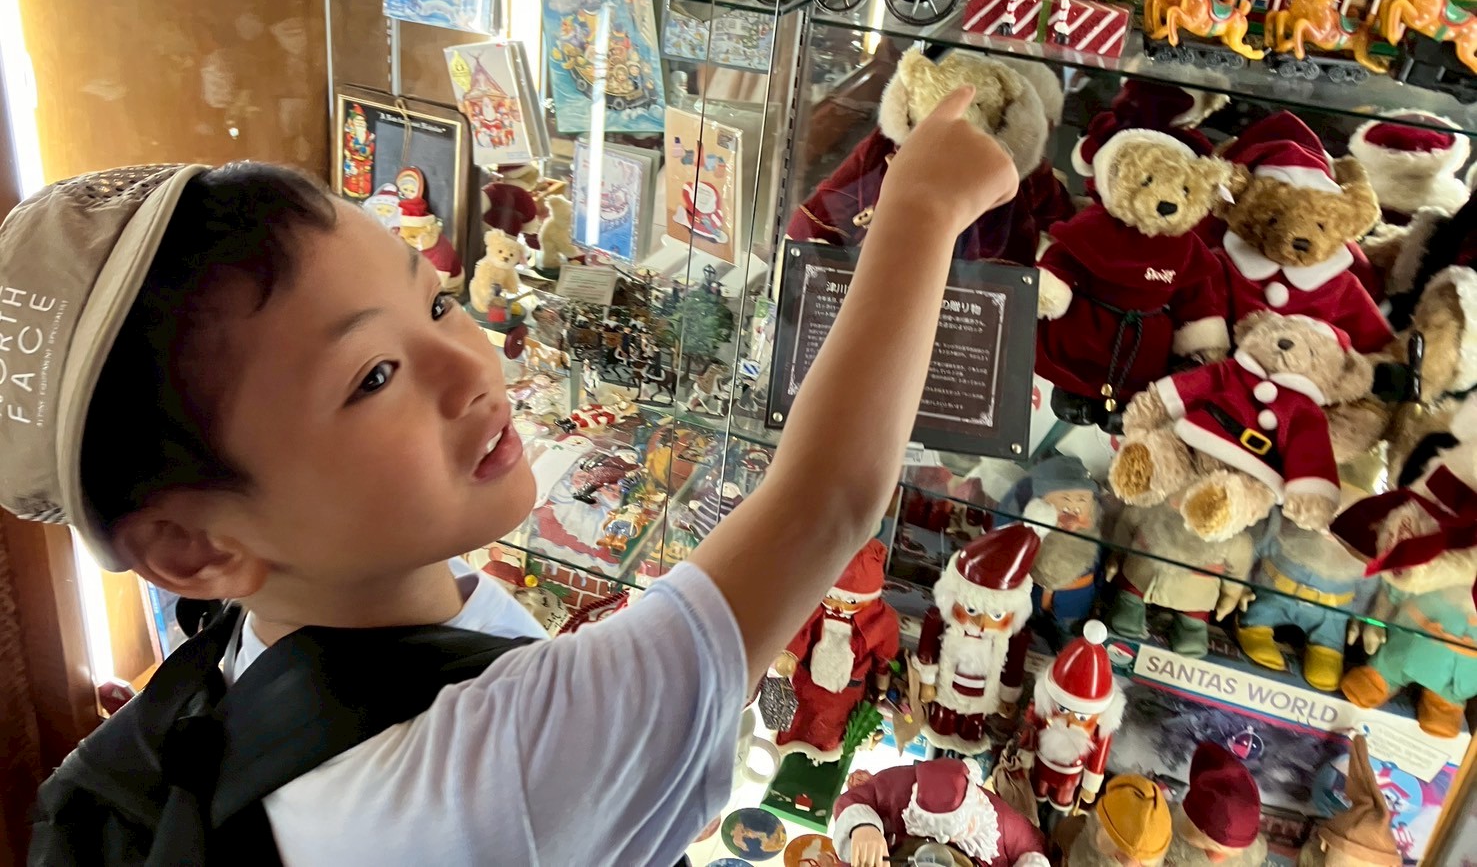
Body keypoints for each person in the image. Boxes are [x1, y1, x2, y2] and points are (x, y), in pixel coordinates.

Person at [2, 84, 1017, 865]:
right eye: (374, 376)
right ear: (194, 548)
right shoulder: (497, 769)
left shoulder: (251, 633)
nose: (473, 368)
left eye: (438, 303)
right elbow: (827, 500)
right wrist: (922, 207)